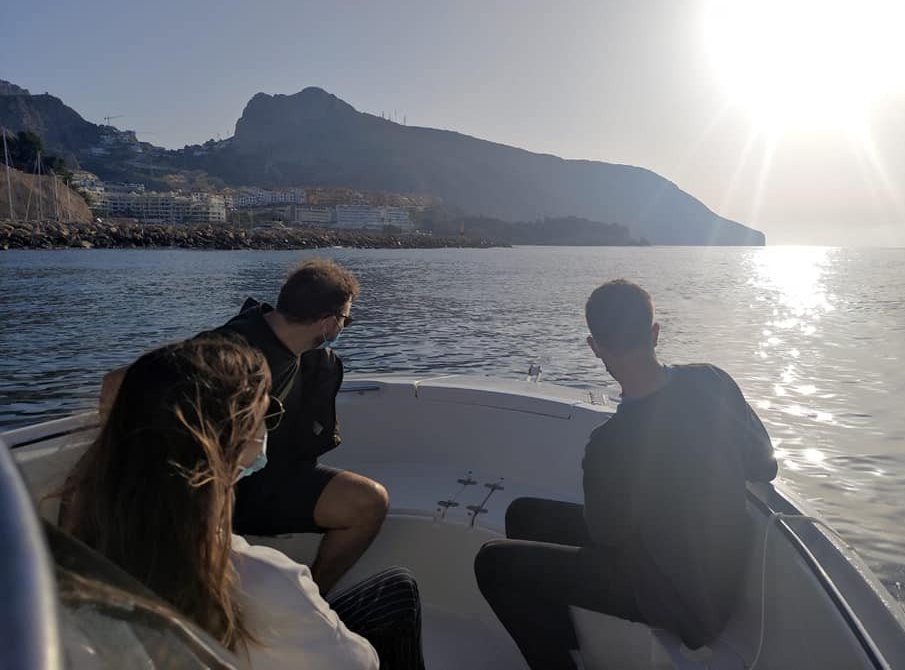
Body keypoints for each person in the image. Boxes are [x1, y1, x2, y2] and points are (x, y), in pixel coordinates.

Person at [63, 337, 425, 670]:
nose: (268, 430)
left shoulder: (77, 539)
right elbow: (361, 664)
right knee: (397, 591)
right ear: (235, 443)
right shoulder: (261, 580)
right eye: (267, 416)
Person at [474, 279, 778, 670]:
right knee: (524, 514)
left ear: (595, 347)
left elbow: (607, 537)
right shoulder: (712, 380)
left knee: (493, 564)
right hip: (721, 578)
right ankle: (572, 650)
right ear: (655, 332)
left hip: (681, 604)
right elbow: (765, 466)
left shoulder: (608, 445)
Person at [100, 258, 386, 596]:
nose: (343, 329)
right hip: (221, 489)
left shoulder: (290, 345)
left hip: (267, 473)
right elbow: (118, 381)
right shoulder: (235, 352)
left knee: (368, 502)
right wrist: (116, 467)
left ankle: (315, 600)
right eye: (345, 321)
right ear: (326, 322)